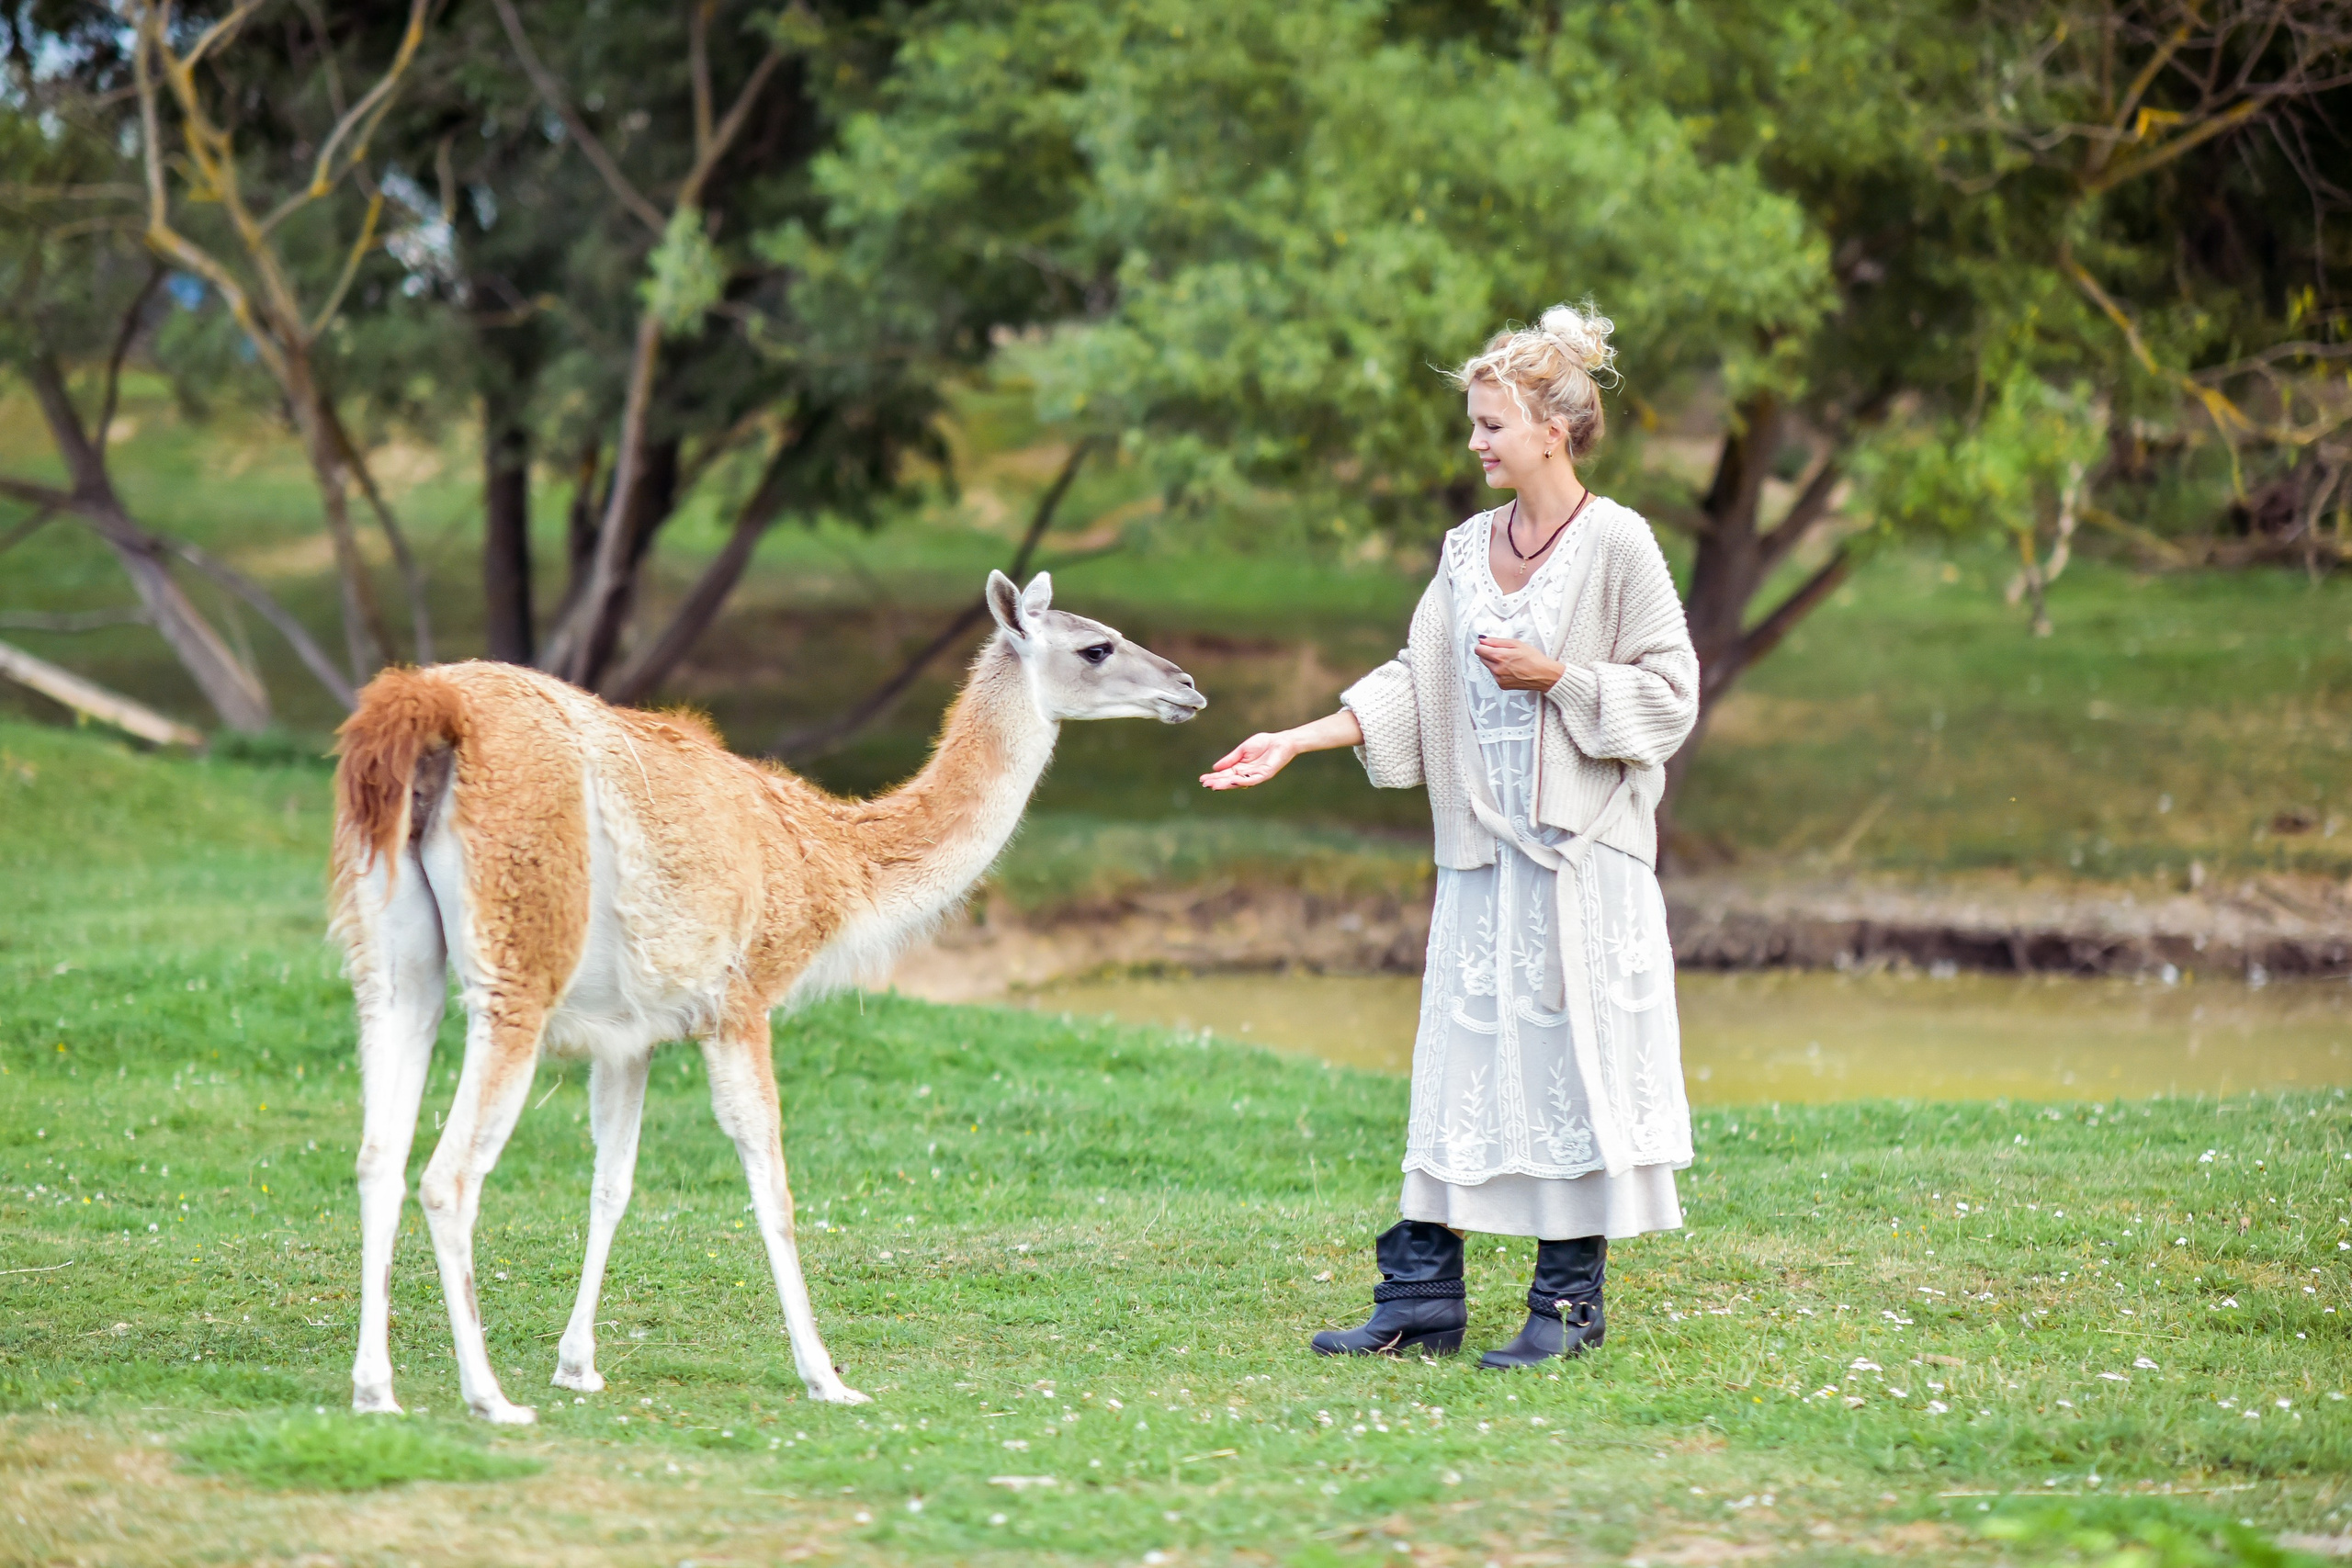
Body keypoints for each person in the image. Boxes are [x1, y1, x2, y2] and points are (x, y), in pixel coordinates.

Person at [1200, 303, 1699, 1369]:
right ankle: (1420, 1297)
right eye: (1473, 423)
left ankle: (1566, 1309)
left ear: (1552, 431)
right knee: (1457, 1071)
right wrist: (1296, 738)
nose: (1474, 443)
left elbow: (1670, 696)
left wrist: (1556, 676)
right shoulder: (1466, 549)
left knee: (1571, 1075)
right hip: (1481, 865)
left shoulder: (1618, 543)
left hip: (1581, 867)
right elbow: (1415, 681)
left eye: (1489, 424)